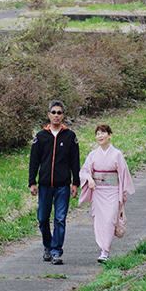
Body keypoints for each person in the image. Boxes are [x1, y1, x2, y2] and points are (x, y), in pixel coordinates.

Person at [28, 99, 80, 265]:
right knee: (43, 218)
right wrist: (32, 182)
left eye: (59, 113)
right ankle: (48, 246)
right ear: (48, 114)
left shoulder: (70, 137)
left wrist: (75, 183)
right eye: (53, 112)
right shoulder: (41, 136)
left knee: (59, 219)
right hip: (44, 185)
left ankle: (57, 251)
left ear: (63, 115)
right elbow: (34, 161)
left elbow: (75, 161)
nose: (56, 115)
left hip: (63, 185)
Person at [79, 122, 135, 262]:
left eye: (103, 133)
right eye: (98, 134)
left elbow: (123, 174)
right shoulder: (93, 154)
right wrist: (89, 179)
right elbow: (84, 171)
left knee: (110, 219)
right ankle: (102, 248)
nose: (100, 136)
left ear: (110, 135)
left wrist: (122, 193)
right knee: (98, 220)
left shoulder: (116, 154)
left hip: (112, 191)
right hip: (98, 191)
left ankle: (105, 250)